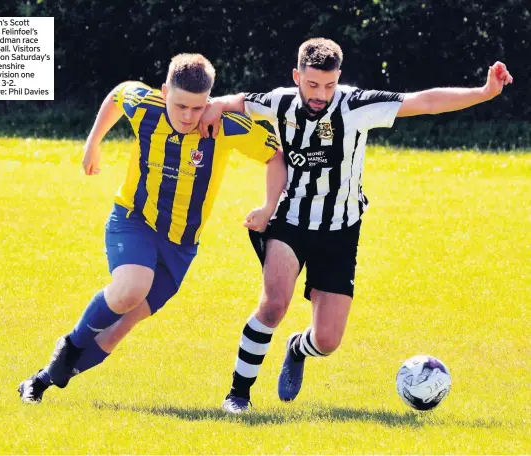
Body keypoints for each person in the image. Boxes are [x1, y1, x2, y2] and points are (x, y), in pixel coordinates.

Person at [196, 37, 513, 413]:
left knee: (328, 341)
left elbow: (423, 101)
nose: (321, 94)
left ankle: (297, 348)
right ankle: (238, 395)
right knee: (273, 306)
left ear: (339, 78)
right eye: (312, 85)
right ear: (297, 77)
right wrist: (214, 106)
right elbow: (238, 101)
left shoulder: (357, 105)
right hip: (291, 220)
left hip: (341, 230)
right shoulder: (280, 101)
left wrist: (484, 92)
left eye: (329, 85)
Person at [17, 53, 287, 404]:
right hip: (135, 220)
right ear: (164, 92)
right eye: (180, 106)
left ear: (209, 100)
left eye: (197, 107)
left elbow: (275, 155)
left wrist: (268, 206)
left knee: (116, 331)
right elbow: (118, 94)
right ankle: (68, 345)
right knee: (131, 287)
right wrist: (92, 143)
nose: (188, 116)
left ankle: (40, 381)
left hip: (180, 247)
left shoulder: (224, 125)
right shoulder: (146, 106)